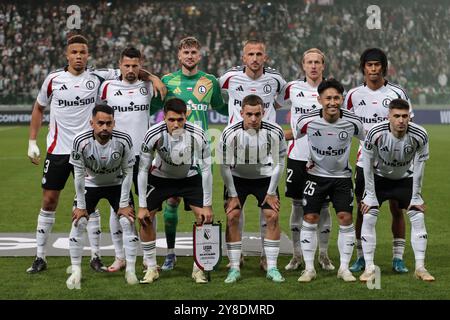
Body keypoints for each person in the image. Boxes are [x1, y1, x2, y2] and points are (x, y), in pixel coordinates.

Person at [26, 34, 165, 274]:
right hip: (58, 150)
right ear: (67, 55)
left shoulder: (100, 77)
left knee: (92, 204)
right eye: (74, 52)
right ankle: (40, 257)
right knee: (49, 201)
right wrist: (32, 141)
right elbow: (39, 107)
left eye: (82, 52)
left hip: (91, 151)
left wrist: (154, 78)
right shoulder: (53, 80)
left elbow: (132, 70)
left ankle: (97, 256)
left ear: (88, 55)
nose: (78, 56)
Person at [150, 36, 227, 273]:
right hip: (171, 152)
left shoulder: (210, 81)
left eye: (194, 52)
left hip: (200, 152)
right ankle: (170, 254)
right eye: (186, 53)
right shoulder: (167, 81)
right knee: (171, 203)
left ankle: (204, 258)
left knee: (203, 207)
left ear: (200, 55)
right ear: (178, 56)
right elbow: (150, 108)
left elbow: (223, 108)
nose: (190, 56)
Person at [219, 39, 287, 270]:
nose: (255, 58)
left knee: (267, 212)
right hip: (236, 152)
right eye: (251, 54)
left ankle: (266, 257)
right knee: (234, 211)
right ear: (243, 57)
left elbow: (282, 103)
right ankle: (235, 258)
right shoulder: (229, 77)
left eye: (259, 54)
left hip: (265, 152)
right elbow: (216, 99)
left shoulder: (276, 79)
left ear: (265, 57)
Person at [345, 48, 414, 274]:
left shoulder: (397, 92)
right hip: (365, 162)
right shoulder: (354, 95)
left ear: (383, 67)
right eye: (369, 65)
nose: (373, 69)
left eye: (377, 65)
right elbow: (347, 124)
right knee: (363, 209)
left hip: (394, 162)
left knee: (397, 209)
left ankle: (398, 258)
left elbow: (408, 124)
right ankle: (361, 257)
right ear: (363, 68)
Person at [295, 79, 364, 283]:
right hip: (315, 176)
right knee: (310, 219)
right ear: (319, 99)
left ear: (342, 99)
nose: (332, 102)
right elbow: (297, 139)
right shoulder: (306, 120)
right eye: (328, 98)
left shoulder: (353, 121)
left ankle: (344, 268)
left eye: (336, 98)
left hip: (342, 178)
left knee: (345, 218)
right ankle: (309, 268)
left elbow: (366, 143)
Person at [138, 98, 213, 284]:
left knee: (204, 218)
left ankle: (199, 269)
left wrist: (208, 205)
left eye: (180, 119)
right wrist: (141, 206)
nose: (176, 124)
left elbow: (206, 169)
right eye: (171, 120)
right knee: (146, 218)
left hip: (188, 177)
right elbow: (142, 170)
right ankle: (151, 267)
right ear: (164, 118)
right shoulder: (153, 134)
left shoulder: (198, 134)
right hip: (161, 178)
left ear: (186, 116)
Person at [359, 98, 435, 282]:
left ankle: (420, 267)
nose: (401, 120)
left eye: (405, 116)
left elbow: (419, 167)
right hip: (379, 178)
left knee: (417, 215)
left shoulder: (420, 134)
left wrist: (416, 196)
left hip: (404, 178)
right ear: (389, 117)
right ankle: (369, 268)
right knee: (369, 215)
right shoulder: (375, 133)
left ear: (409, 117)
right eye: (397, 116)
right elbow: (367, 164)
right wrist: (369, 193)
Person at [276, 48, 334, 272]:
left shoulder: (330, 90)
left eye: (317, 62)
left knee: (324, 206)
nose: (313, 66)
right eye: (309, 62)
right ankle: (297, 255)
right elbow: (275, 105)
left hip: (324, 157)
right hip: (297, 155)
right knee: (297, 205)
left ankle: (324, 255)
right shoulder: (292, 88)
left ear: (323, 66)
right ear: (303, 65)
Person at [96, 47, 154, 273]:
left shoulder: (148, 86)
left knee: (149, 206)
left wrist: (153, 77)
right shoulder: (108, 87)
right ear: (119, 65)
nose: (131, 70)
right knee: (117, 208)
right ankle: (120, 257)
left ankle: (149, 258)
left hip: (144, 156)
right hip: (117, 157)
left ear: (141, 65)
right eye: (126, 65)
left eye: (135, 65)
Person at [66, 105, 136, 289]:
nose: (104, 127)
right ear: (92, 123)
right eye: (100, 123)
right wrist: (80, 206)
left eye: (108, 123)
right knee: (79, 222)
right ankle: (75, 271)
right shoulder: (80, 141)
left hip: (117, 184)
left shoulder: (124, 140)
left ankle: (131, 270)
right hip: (91, 184)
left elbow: (128, 172)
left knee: (127, 221)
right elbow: (79, 175)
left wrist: (123, 203)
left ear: (114, 123)